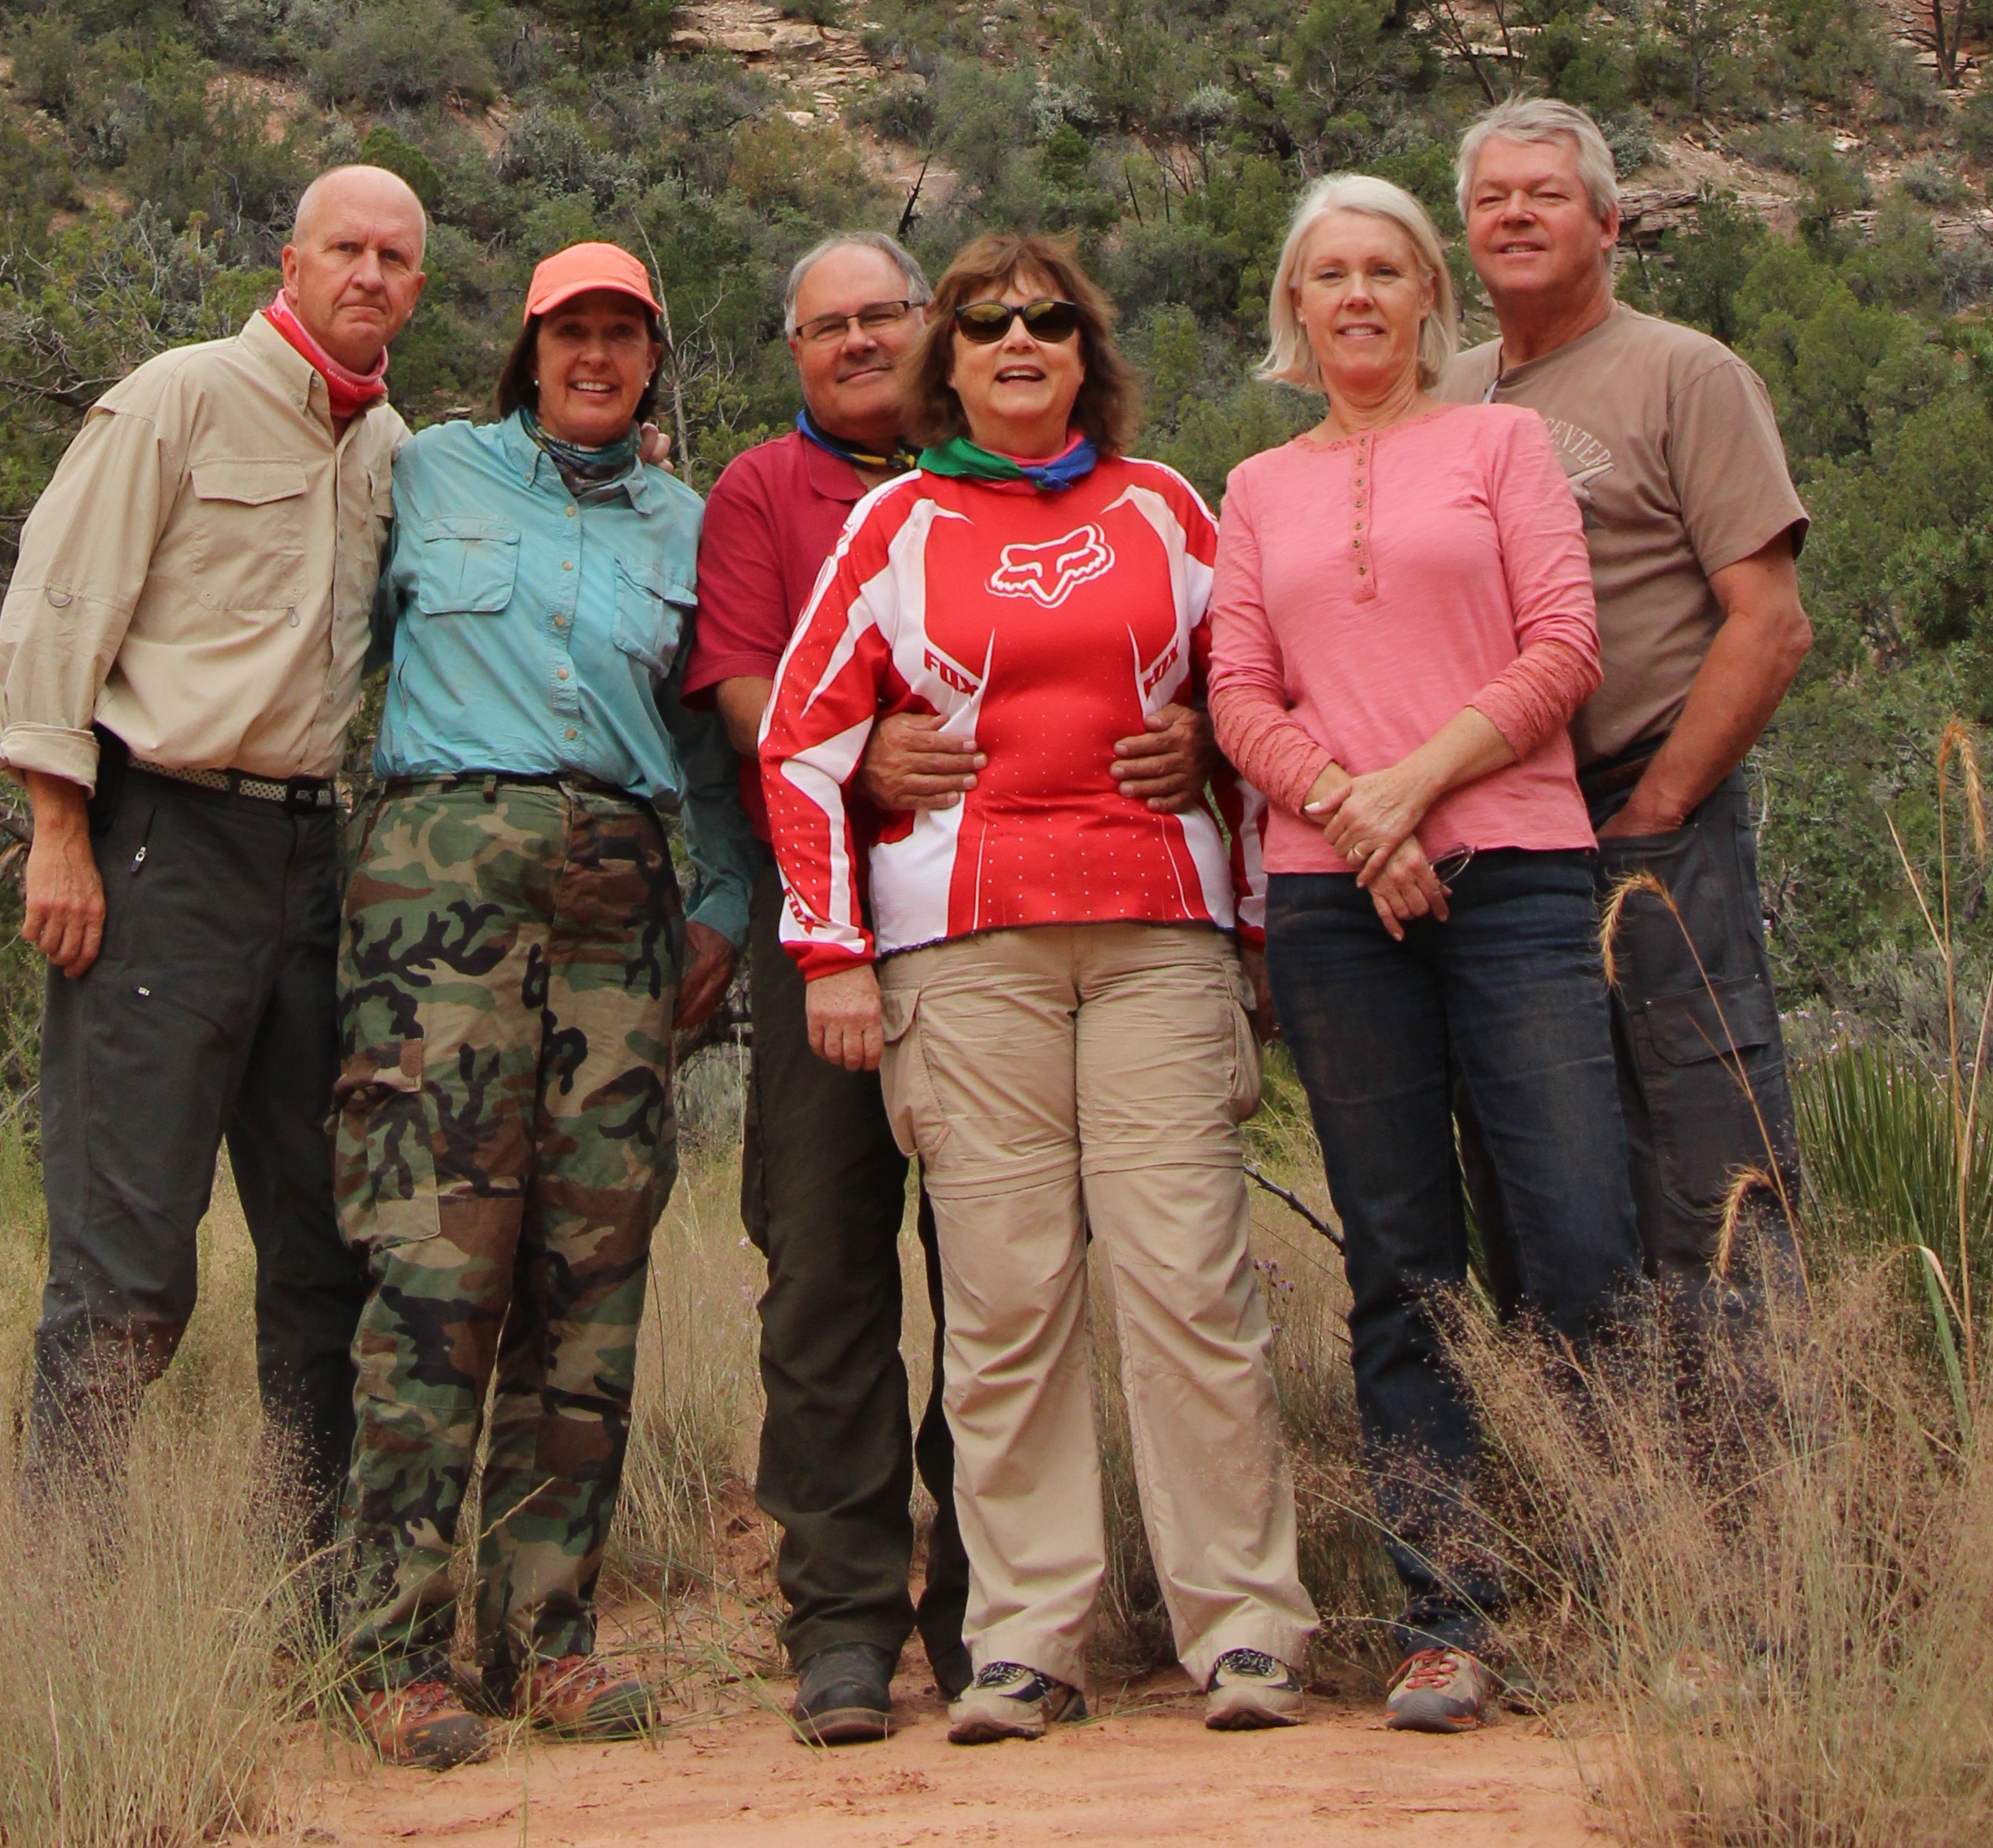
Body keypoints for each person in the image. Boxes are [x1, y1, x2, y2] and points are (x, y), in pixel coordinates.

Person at [763, 233, 1318, 1748]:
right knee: (1008, 1298)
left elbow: (1259, 710)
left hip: (1159, 933)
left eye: (1050, 321)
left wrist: (1254, 915)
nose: (1019, 339)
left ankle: (1247, 1630)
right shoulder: (895, 524)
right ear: (948, 354)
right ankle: (1025, 1639)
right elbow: (800, 748)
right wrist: (833, 955)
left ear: (1088, 353)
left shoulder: (1169, 510)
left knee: (1188, 1283)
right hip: (965, 945)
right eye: (988, 320)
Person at [1209, 172, 1640, 1731]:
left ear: (1429, 298)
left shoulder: (1501, 443)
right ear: (1296, 309)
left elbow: (1565, 648)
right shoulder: (1257, 489)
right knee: (1402, 1268)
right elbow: (1238, 693)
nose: (1360, 298)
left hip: (1520, 875)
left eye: (1387, 269)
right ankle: (1443, 1616)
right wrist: (1353, 814)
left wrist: (1413, 788)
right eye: (1329, 275)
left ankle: (1612, 1582)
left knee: (1579, 1234)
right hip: (1338, 905)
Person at [333, 243, 752, 1772]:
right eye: (571, 332)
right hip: (439, 881)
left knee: (591, 1268)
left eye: (623, 336)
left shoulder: (685, 526)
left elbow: (715, 746)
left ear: (652, 360)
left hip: (622, 898)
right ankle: (389, 1647)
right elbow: (334, 648)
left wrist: (719, 906)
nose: (596, 357)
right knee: (436, 1259)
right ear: (529, 348)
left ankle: (545, 1642)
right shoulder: (428, 473)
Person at [0, 162, 428, 1534]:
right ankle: (66, 1618)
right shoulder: (177, 399)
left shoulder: (388, 449)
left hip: (312, 864)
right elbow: (58, 608)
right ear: (289, 264)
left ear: (417, 290)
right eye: (344, 249)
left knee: (322, 1252)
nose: (369, 275)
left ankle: (313, 1594)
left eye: (396, 259)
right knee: (126, 1265)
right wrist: (57, 828)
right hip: (157, 849)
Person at [681, 231, 974, 1743]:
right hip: (824, 935)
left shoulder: (1016, 456)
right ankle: (845, 1625)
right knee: (826, 1274)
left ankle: (995, 1609)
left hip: (997, 930)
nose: (860, 342)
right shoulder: (760, 492)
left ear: (933, 323)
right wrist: (855, 755)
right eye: (828, 327)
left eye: (884, 315)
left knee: (1004, 1273)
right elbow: (742, 691)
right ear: (792, 353)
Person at [1449, 97, 1813, 1287]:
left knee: (1706, 1134)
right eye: (1492, 197)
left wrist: (1656, 810)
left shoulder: (1683, 375)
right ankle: (1584, 1443)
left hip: (1650, 813)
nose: (1516, 215)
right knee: (1539, 1162)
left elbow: (1768, 625)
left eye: (1546, 194)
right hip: (1497, 841)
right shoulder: (1441, 398)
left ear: (1609, 223)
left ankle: (1758, 1444)